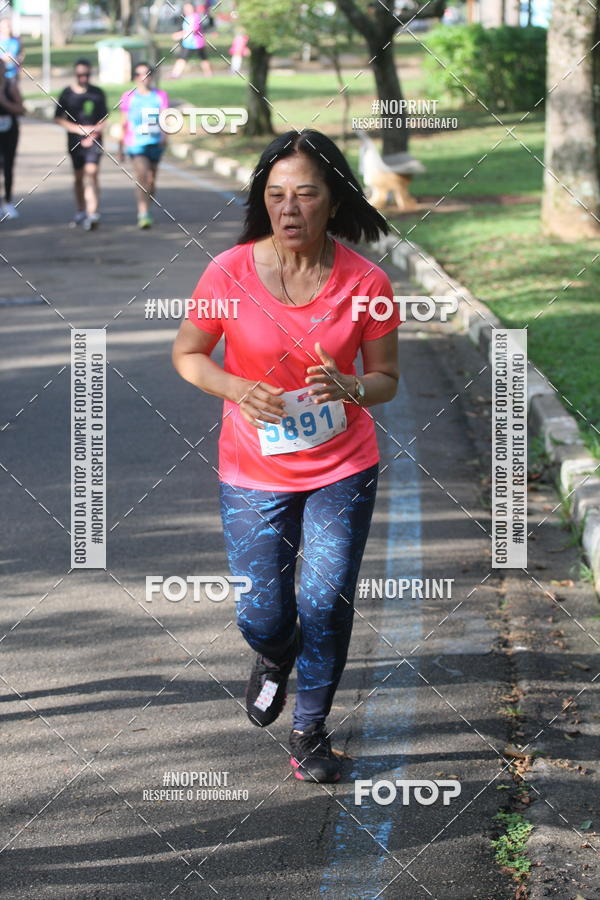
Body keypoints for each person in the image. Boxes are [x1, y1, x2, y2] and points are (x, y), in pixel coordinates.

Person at [172, 129, 401, 783]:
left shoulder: (367, 282)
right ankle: (275, 654)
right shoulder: (229, 272)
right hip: (253, 469)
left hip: (343, 465)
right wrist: (238, 388)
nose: (290, 209)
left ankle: (310, 733)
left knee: (326, 600)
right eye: (276, 196)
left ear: (333, 199)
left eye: (306, 193)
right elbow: (188, 354)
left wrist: (351, 386)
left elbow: (386, 378)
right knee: (263, 613)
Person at [55, 59, 107, 230]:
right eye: (80, 74)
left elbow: (104, 118)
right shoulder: (67, 94)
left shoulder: (97, 93)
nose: (83, 77)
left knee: (92, 173)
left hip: (94, 139)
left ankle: (93, 214)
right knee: (78, 177)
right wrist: (78, 130)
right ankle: (81, 210)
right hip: (74, 140)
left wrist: (92, 133)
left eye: (86, 74)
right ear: (75, 74)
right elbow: (58, 118)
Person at [118, 62, 169, 229]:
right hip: (136, 144)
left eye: (146, 74)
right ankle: (143, 213)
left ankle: (146, 207)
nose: (143, 78)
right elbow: (123, 123)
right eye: (139, 74)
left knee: (152, 180)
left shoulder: (160, 95)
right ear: (134, 77)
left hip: (155, 143)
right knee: (142, 176)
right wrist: (120, 146)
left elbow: (164, 118)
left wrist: (164, 135)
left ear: (151, 76)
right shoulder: (128, 96)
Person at [0, 58, 24, 220]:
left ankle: (8, 202)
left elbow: (21, 109)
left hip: (9, 131)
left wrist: (4, 101)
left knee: (8, 166)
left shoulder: (10, 85)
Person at [170, 1, 212, 79]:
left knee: (203, 59)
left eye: (188, 8)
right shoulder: (186, 17)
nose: (187, 9)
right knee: (182, 58)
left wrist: (180, 34)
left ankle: (209, 74)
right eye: (185, 8)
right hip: (187, 43)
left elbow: (193, 29)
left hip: (196, 42)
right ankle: (175, 74)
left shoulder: (196, 17)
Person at [0, 19, 24, 83]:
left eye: (8, 26)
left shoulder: (16, 40)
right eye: (3, 27)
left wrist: (14, 59)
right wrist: (2, 59)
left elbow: (21, 55)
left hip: (13, 75)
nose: (6, 29)